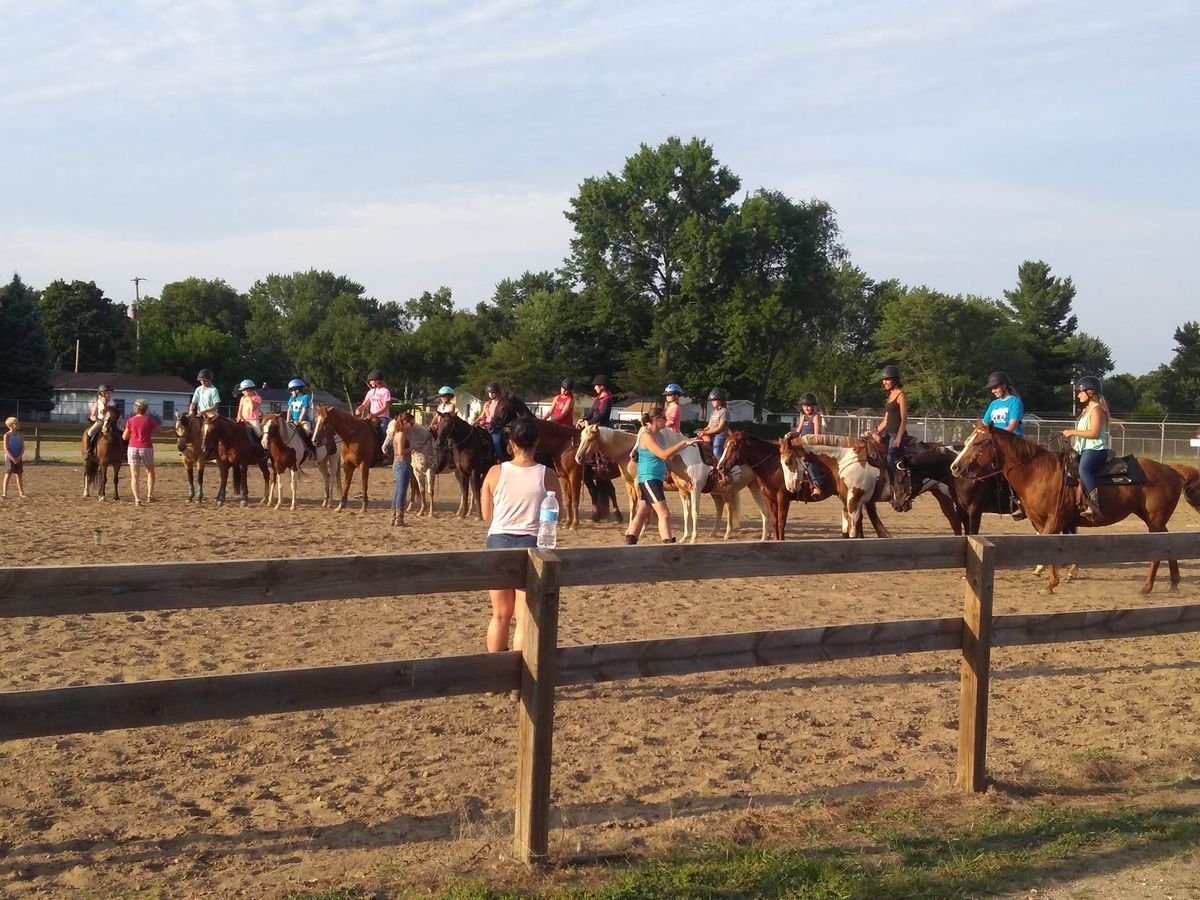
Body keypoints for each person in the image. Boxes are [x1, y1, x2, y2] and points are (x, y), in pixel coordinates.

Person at [480, 418, 562, 653]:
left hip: (498, 542)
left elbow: (487, 514)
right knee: (524, 619)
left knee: (499, 615)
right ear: (537, 442)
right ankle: (519, 681)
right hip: (531, 543)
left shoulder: (496, 472)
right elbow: (558, 515)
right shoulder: (547, 475)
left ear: (511, 442)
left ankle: (496, 676)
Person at [623, 408, 699, 545]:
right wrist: (682, 443)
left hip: (656, 479)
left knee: (641, 513)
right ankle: (668, 544)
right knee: (664, 513)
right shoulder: (646, 435)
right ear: (656, 419)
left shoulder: (660, 436)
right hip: (648, 479)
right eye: (664, 417)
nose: (667, 420)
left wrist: (685, 476)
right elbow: (663, 454)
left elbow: (667, 461)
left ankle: (630, 539)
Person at [1062, 375, 1110, 519]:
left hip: (1095, 449)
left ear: (1091, 393)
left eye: (1081, 392)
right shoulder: (1086, 411)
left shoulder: (1097, 410)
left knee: (1084, 469)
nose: (1078, 395)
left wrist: (1072, 432)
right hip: (1082, 449)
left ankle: (1093, 504)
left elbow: (1094, 433)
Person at [787, 392, 826, 499]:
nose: (806, 408)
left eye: (809, 406)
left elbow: (817, 434)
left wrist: (806, 440)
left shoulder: (816, 417)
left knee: (807, 462)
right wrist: (791, 434)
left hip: (812, 446)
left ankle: (817, 486)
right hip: (802, 446)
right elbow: (798, 432)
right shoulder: (803, 417)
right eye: (804, 406)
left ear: (813, 406)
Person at [121, 399, 156, 506]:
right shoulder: (149, 420)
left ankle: (137, 499)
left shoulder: (130, 420)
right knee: (150, 472)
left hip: (132, 448)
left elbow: (124, 436)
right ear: (145, 409)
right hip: (146, 447)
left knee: (134, 475)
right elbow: (159, 431)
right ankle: (149, 496)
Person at [874, 365, 908, 469]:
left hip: (897, 435)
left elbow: (904, 419)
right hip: (888, 434)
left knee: (890, 458)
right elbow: (886, 420)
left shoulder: (900, 395)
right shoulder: (891, 395)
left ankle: (894, 484)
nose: (884, 382)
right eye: (884, 379)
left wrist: (898, 438)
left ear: (895, 380)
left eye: (887, 379)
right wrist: (875, 432)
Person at [383, 412, 411, 527]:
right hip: (402, 462)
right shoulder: (401, 434)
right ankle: (399, 517)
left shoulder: (397, 433)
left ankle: (394, 516)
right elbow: (400, 451)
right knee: (401, 491)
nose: (411, 425)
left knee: (398, 490)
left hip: (398, 463)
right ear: (405, 422)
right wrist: (413, 447)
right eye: (410, 423)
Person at [981, 371, 1025, 437]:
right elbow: (983, 425)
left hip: (1012, 440)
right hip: (997, 439)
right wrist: (971, 439)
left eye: (996, 388)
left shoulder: (1015, 402)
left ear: (1004, 386)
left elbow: (1011, 427)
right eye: (992, 389)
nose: (993, 391)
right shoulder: (994, 404)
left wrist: (994, 436)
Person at [354, 370, 392, 444]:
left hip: (382, 417)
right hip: (371, 417)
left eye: (372, 381)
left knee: (383, 428)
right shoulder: (370, 392)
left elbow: (385, 407)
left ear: (377, 381)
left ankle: (386, 447)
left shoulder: (385, 391)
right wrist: (359, 409)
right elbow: (365, 404)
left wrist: (375, 414)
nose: (370, 383)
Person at [696, 388, 730, 461]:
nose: (712, 402)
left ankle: (724, 468)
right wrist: (702, 430)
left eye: (714, 400)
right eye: (711, 400)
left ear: (721, 400)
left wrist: (705, 432)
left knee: (716, 452)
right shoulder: (713, 412)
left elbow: (719, 428)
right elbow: (709, 426)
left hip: (720, 437)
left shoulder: (724, 412)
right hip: (711, 435)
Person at [85, 383, 118, 455]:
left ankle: (124, 451)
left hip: (112, 422)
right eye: (108, 392)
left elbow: (118, 414)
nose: (110, 394)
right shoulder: (97, 404)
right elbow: (92, 416)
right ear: (102, 394)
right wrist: (97, 420)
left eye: (110, 392)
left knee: (123, 431)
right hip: (100, 422)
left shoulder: (114, 403)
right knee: (90, 432)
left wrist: (117, 420)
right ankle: (89, 449)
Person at [475, 382, 505, 461]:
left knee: (496, 442)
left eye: (493, 392)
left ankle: (500, 457)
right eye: (489, 392)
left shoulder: (501, 404)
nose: (491, 394)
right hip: (485, 425)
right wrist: (475, 422)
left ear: (498, 393)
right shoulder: (487, 404)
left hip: (495, 427)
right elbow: (482, 415)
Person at [2, 416, 26, 499]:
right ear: (11, 425)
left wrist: (19, 457)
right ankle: (4, 493)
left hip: (18, 457)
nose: (18, 424)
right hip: (9, 458)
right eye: (16, 423)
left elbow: (23, 447)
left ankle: (21, 492)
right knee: (7, 475)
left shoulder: (20, 435)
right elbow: (6, 448)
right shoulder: (7, 435)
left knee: (19, 476)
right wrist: (13, 458)